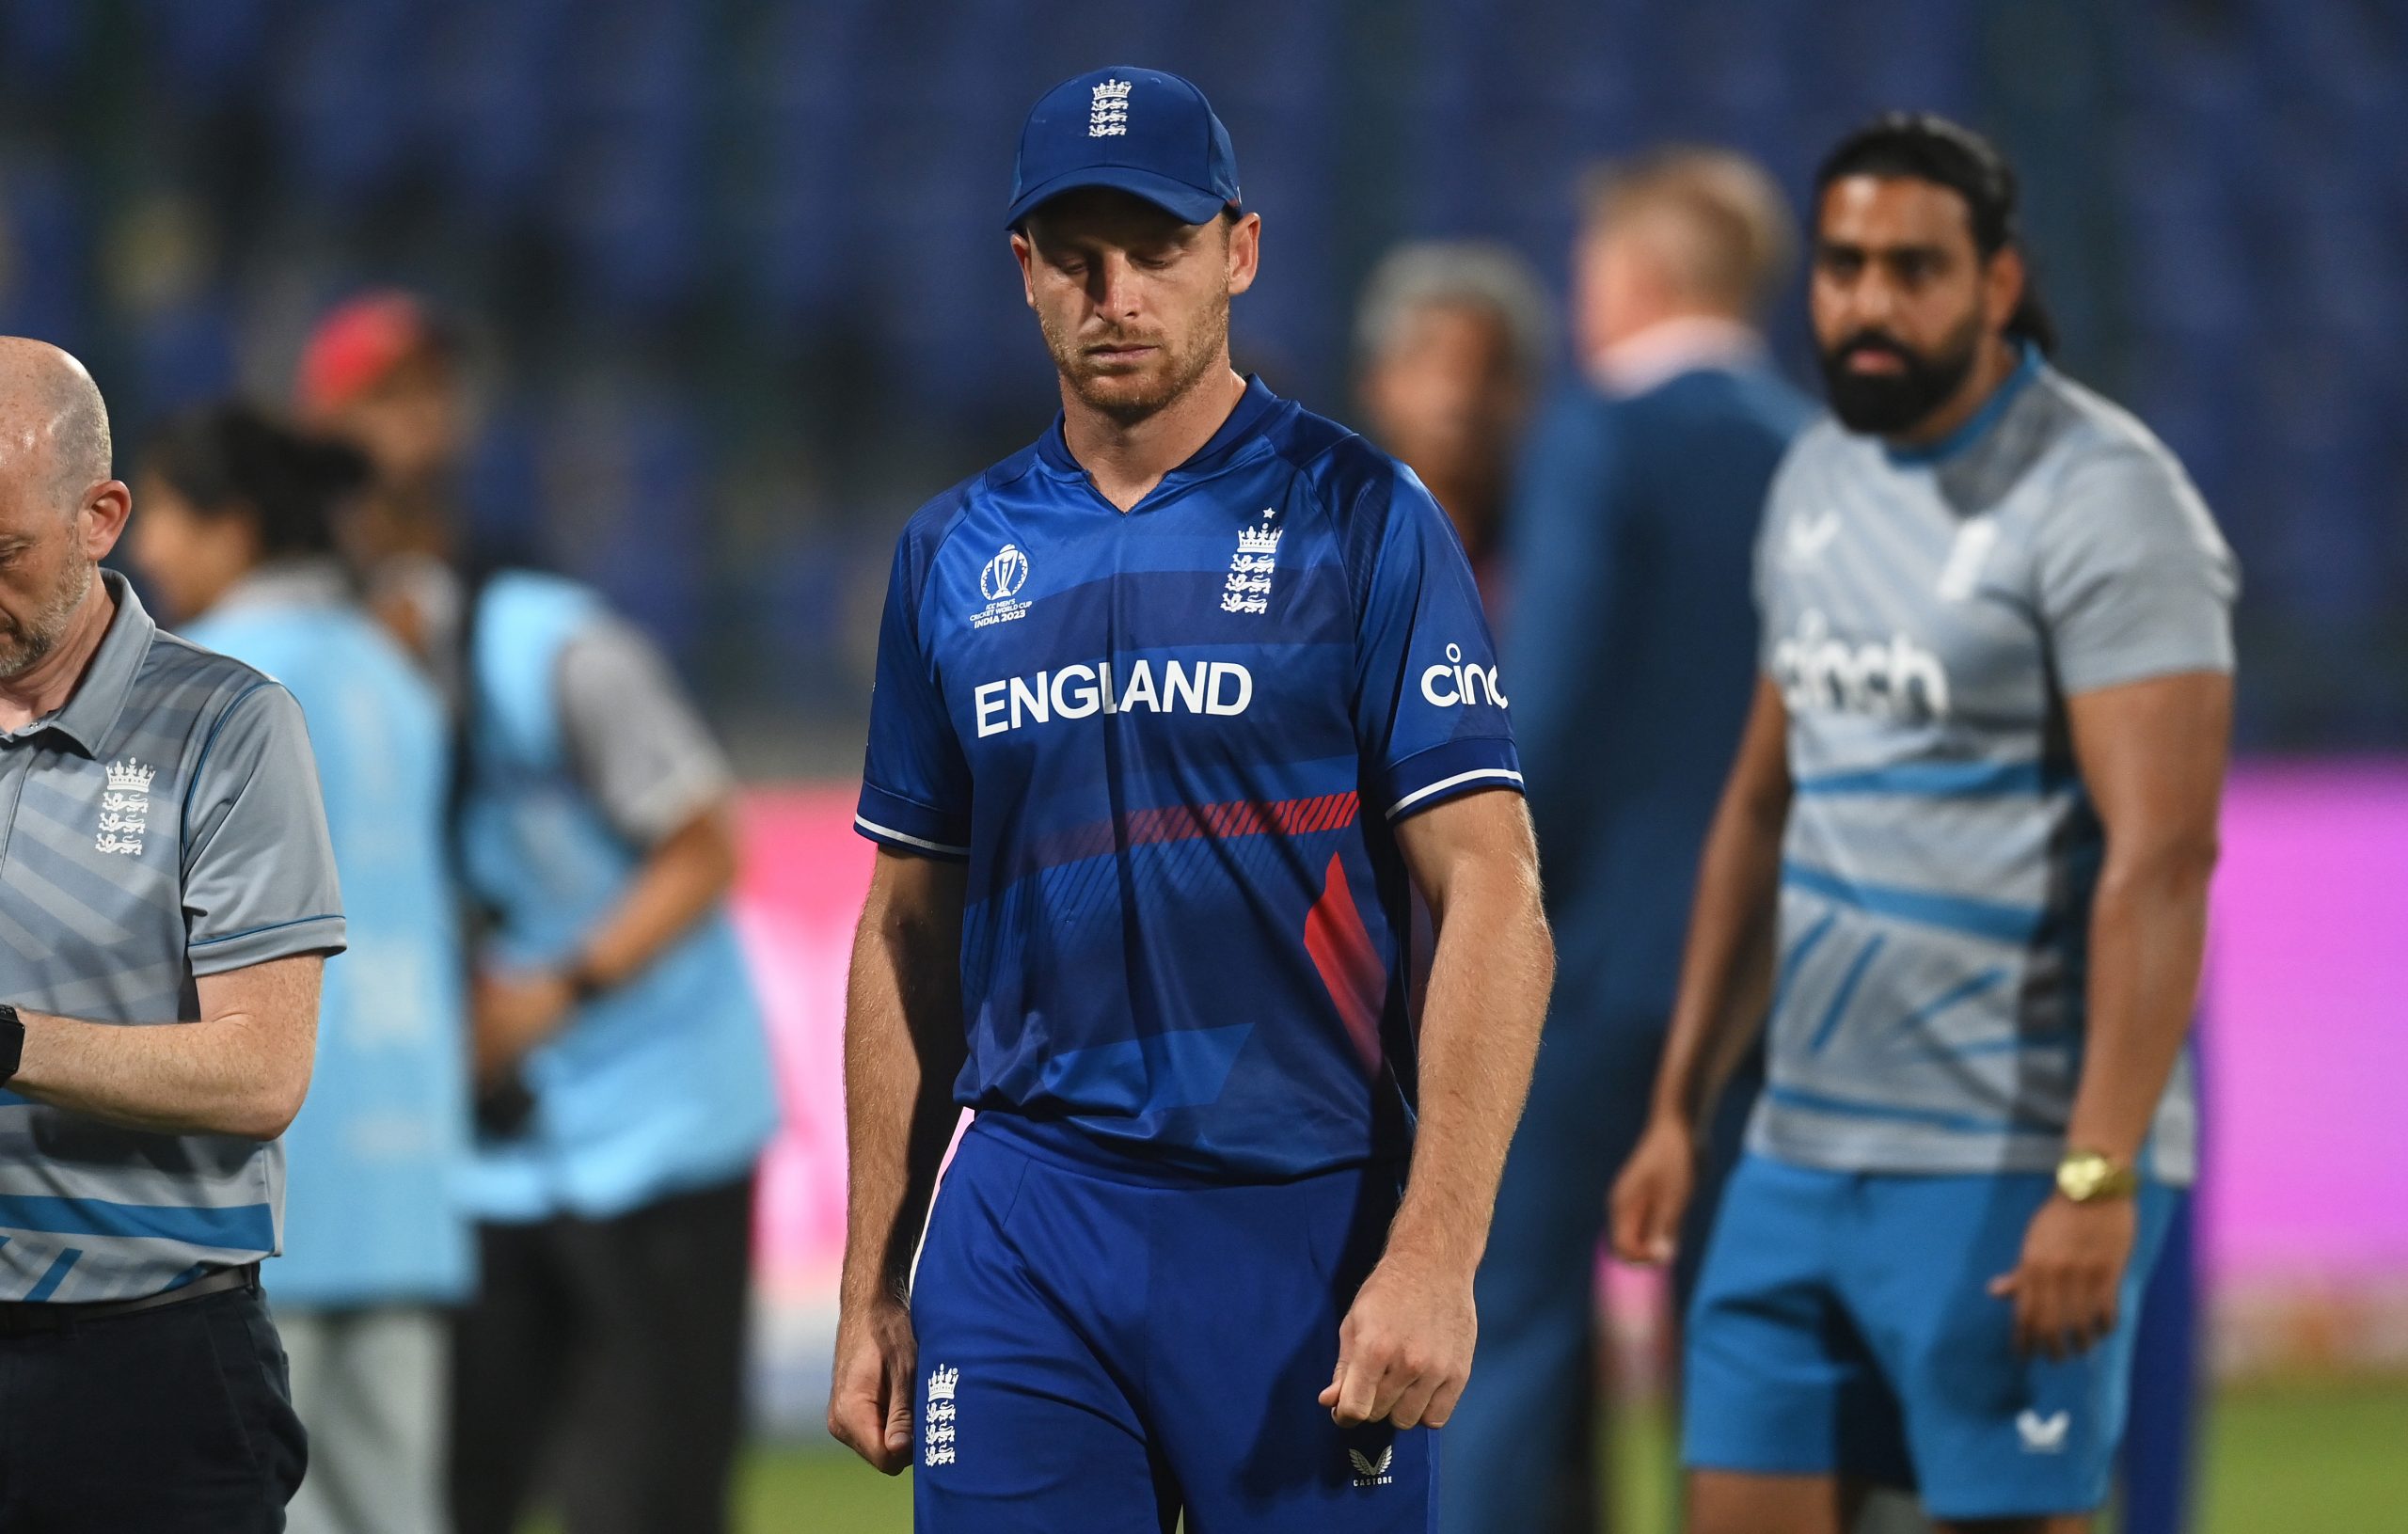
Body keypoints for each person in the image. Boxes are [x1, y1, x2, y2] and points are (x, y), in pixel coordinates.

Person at [827, 68, 1554, 1533]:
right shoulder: (949, 555)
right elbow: (908, 928)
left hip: (1299, 1221)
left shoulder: (1366, 518)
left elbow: (1497, 891)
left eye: (1157, 249)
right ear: (1022, 271)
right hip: (1026, 1217)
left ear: (1241, 249)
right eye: (1077, 256)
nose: (1118, 294)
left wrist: (1436, 1253)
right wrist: (873, 1279)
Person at [1609, 114, 2238, 1534]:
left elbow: (2164, 856)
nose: (1869, 303)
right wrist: (1680, 1104)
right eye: (1842, 267)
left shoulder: (2109, 499)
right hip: (1795, 1152)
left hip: (2006, 1163)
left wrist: (2095, 1173)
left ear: (1997, 283)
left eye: (1912, 268)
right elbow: (1764, 805)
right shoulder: (1818, 478)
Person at [296, 296, 783, 1534]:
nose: (411, 425)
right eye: (379, 398)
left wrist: (551, 992)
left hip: (654, 1124)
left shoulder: (552, 642)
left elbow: (704, 843)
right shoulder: (308, 659)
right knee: (448, 1495)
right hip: (482, 1152)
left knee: (646, 1503)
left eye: (427, 393)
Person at [1441, 146, 1813, 1534]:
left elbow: (1552, 714)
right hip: (1769, 986)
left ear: (1643, 276)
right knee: (1746, 1349)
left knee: (1510, 1333)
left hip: (1586, 970)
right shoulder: (1818, 455)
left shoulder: (1602, 435)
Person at [0, 338, 341, 1527]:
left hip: (140, 1369)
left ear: (102, 516)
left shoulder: (228, 730)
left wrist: (10, 1044)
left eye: (1, 554)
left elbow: (261, 1069)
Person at [129, 403, 471, 1534]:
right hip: (408, 1166)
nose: (146, 549)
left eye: (166, 514)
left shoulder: (213, 680)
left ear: (233, 525)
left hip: (271, 1171)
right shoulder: (391, 663)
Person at [1354, 240, 1551, 607]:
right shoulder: (1316, 553)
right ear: (1376, 383)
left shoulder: (1562, 556)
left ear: (1526, 392)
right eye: (1427, 359)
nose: (1458, 393)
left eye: (1487, 367)